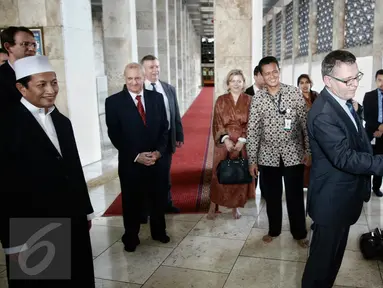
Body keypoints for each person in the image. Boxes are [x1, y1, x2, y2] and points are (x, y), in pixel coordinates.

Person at [0, 55, 95, 287]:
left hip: (73, 218)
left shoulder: (62, 122)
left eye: (54, 82)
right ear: (21, 88)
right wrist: (11, 242)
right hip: (33, 225)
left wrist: (86, 211)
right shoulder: (6, 125)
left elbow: (74, 169)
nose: (51, 90)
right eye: (41, 85)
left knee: (78, 278)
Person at [301, 50, 383, 287]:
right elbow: (345, 158)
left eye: (356, 76)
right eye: (347, 80)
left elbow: (358, 140)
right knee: (321, 266)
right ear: (327, 80)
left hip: (344, 198)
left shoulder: (343, 101)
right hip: (331, 201)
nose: (354, 84)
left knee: (332, 262)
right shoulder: (323, 114)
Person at [105, 62, 170, 252]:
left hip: (156, 160)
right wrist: (136, 155)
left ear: (144, 77)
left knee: (158, 198)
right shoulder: (113, 102)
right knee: (131, 201)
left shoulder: (156, 98)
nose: (134, 82)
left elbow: (164, 128)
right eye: (130, 79)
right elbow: (115, 134)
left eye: (138, 78)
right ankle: (131, 237)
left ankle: (159, 232)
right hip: (131, 162)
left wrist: (159, 152)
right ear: (124, 79)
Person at [247, 56, 310, 248]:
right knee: (272, 196)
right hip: (267, 155)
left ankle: (299, 232)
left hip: (293, 153)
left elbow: (305, 125)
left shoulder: (294, 93)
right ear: (262, 76)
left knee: (295, 196)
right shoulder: (257, 98)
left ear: (279, 71)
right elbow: (253, 130)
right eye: (267, 73)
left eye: (274, 71)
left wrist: (309, 150)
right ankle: (273, 230)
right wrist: (252, 160)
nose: (272, 76)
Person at [207, 69, 255, 220]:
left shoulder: (249, 100)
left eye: (239, 81)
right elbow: (217, 122)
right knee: (219, 173)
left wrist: (242, 140)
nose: (236, 84)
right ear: (228, 84)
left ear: (243, 84)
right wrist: (225, 139)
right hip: (224, 143)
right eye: (233, 81)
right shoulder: (220, 100)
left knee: (238, 174)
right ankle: (213, 204)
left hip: (242, 142)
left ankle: (235, 207)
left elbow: (253, 123)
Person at [141, 54, 183, 214]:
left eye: (157, 66)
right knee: (146, 176)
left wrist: (179, 135)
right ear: (144, 70)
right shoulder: (139, 90)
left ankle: (166, 204)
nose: (155, 70)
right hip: (145, 141)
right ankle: (146, 209)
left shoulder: (168, 88)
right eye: (151, 67)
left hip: (166, 139)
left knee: (164, 174)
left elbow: (175, 113)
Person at [0, 26, 36, 109]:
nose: (32, 49)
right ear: (8, 47)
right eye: (25, 44)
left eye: (34, 44)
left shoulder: (37, 73)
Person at [363, 69, 383, 197]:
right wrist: (378, 128)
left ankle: (376, 187)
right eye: (380, 80)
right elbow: (366, 116)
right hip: (371, 134)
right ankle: (365, 188)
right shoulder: (369, 96)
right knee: (368, 160)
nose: (382, 83)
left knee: (380, 161)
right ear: (376, 81)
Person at [297, 74, 318, 188]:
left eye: (307, 82)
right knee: (304, 159)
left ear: (311, 83)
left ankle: (313, 184)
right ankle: (302, 184)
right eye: (301, 83)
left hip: (316, 132)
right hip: (301, 133)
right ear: (298, 85)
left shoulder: (317, 96)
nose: (304, 85)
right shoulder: (295, 98)